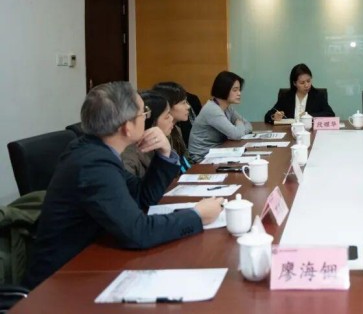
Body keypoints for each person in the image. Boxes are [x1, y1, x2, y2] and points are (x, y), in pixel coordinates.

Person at [24, 82, 223, 289]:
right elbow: (138, 232)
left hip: (92, 260)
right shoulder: (93, 164)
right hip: (61, 283)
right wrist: (197, 215)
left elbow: (142, 197)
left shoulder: (95, 150)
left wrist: (164, 154)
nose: (147, 118)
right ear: (127, 127)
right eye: (144, 113)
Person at [188, 71, 253, 162]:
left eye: (239, 90)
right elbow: (236, 135)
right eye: (235, 90)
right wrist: (239, 123)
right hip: (202, 158)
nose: (239, 93)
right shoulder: (212, 110)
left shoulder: (227, 107)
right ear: (223, 89)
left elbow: (248, 125)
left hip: (217, 151)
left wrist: (239, 127)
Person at [121, 91, 175, 177]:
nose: (172, 119)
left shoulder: (164, 140)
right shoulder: (128, 157)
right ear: (152, 122)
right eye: (167, 116)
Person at [264, 63, 335, 123]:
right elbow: (268, 116)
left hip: (311, 132)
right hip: (289, 132)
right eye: (302, 83)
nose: (306, 85)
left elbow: (330, 114)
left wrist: (309, 116)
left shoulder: (318, 95)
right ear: (295, 83)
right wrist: (274, 116)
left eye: (308, 81)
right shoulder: (286, 97)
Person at [153, 81, 192, 173]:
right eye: (183, 103)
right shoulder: (157, 135)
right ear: (168, 106)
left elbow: (186, 158)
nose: (188, 106)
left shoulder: (176, 129)